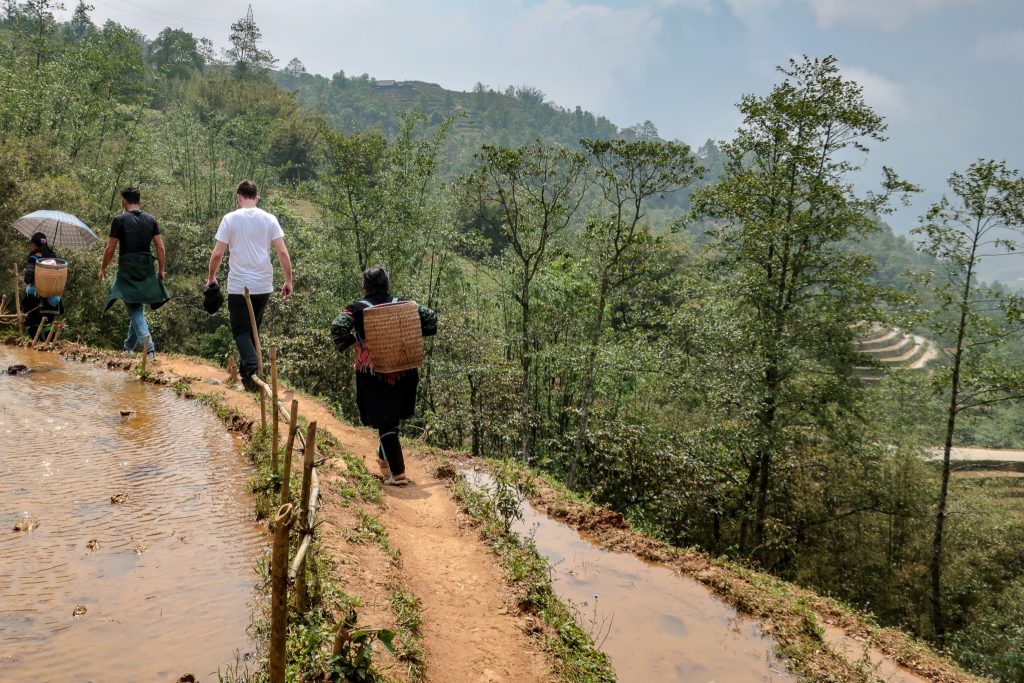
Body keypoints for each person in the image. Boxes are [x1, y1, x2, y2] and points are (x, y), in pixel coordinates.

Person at [330, 267, 437, 485]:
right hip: (404, 370)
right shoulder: (405, 303)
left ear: (365, 287)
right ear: (387, 284)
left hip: (374, 373)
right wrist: (415, 336)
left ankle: (398, 474)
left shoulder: (357, 308)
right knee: (390, 419)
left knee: (385, 421)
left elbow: (338, 326)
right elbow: (431, 318)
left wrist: (356, 344)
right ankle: (384, 459)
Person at [206, 179, 293, 391]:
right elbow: (282, 251)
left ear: (238, 197)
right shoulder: (269, 219)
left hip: (238, 286)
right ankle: (249, 379)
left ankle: (255, 372)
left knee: (240, 331)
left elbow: (218, 253)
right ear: (257, 197)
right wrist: (288, 280)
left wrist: (211, 278)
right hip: (263, 285)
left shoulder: (230, 219)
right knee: (253, 331)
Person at [100, 187, 169, 360]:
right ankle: (128, 348)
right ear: (140, 201)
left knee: (134, 308)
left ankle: (150, 350)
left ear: (124, 202)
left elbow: (110, 248)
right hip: (145, 268)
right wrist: (161, 270)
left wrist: (103, 268)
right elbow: (160, 248)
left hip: (128, 269)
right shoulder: (151, 220)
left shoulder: (119, 220)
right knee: (136, 306)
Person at [21, 232, 63, 336]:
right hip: (53, 300)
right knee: (48, 325)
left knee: (33, 325)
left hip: (36, 299)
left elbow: (28, 278)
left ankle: (35, 349)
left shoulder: (34, 258)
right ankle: (49, 349)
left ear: (34, 244)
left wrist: (25, 272)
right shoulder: (54, 258)